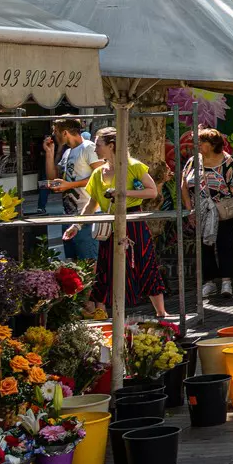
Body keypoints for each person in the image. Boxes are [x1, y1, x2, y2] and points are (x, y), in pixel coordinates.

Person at [70, 127, 168, 323]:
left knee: (144, 262)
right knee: (106, 267)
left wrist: (124, 193)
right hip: (110, 225)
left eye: (98, 145)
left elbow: (152, 192)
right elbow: (91, 204)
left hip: (133, 223)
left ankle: (161, 312)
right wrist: (77, 225)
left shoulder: (134, 166)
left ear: (111, 146)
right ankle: (107, 313)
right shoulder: (98, 173)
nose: (95, 149)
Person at [182, 127, 233, 302]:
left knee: (224, 242)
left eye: (201, 142)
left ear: (212, 145)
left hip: (225, 210)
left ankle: (227, 281)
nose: (198, 145)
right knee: (205, 244)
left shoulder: (227, 161)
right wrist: (190, 209)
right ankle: (209, 281)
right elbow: (183, 185)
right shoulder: (193, 162)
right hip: (202, 210)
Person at [42, 117, 98, 261]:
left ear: (65, 132)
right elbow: (53, 177)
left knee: (88, 260)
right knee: (72, 261)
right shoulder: (68, 152)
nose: (54, 135)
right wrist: (49, 152)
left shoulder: (88, 147)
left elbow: (100, 178)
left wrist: (69, 185)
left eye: (55, 132)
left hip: (87, 214)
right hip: (69, 214)